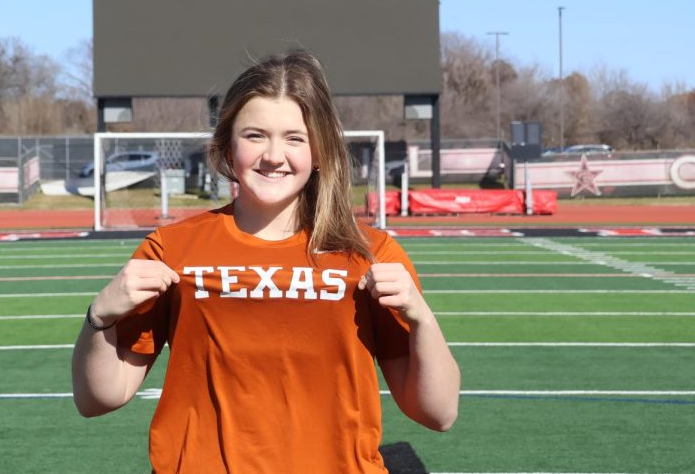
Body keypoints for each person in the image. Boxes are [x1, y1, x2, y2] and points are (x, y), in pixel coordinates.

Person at [71, 50, 460, 474]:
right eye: (255, 135)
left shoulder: (369, 254)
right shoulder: (172, 249)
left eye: (295, 137)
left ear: (320, 151)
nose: (274, 155)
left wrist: (421, 317)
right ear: (226, 144)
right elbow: (99, 399)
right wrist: (99, 318)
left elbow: (437, 413)